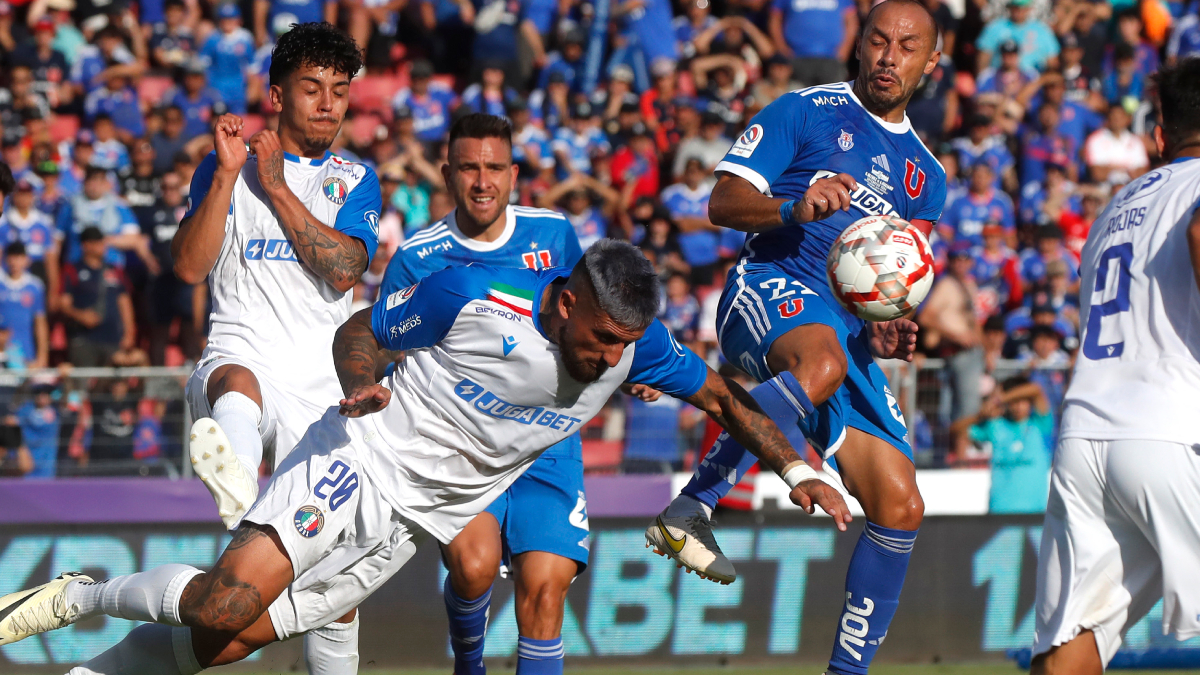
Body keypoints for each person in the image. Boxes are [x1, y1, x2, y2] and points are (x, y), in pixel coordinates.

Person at [0, 240, 851, 675]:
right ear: (562, 304)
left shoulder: (637, 351)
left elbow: (727, 400)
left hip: (414, 523)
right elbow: (362, 328)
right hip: (359, 457)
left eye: (622, 346)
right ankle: (80, 592)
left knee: (225, 643)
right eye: (596, 341)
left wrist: (800, 468)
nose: (606, 359)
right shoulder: (480, 304)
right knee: (223, 601)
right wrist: (364, 380)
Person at [644, 5, 944, 675]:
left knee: (900, 503)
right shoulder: (802, 112)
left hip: (842, 334)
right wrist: (793, 207)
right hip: (767, 286)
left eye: (908, 46)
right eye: (879, 41)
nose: (890, 56)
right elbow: (720, 203)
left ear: (932, 63)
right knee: (824, 360)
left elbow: (896, 274)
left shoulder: (929, 176)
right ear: (857, 47)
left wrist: (889, 320)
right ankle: (690, 507)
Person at [170, 22, 377, 675]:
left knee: (335, 592)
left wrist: (278, 186)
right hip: (243, 351)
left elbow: (345, 270)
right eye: (311, 88)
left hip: (322, 392)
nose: (327, 103)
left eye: (338, 91)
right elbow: (189, 265)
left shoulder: (354, 177)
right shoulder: (220, 165)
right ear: (276, 93)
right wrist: (232, 177)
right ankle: (232, 471)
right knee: (235, 381)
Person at [377, 112, 598, 675]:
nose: (483, 181)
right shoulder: (417, 258)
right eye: (470, 168)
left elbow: (588, 322)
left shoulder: (554, 235)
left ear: (514, 174)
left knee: (546, 592)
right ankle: (468, 665)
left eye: (495, 168)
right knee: (474, 568)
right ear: (447, 174)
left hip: (546, 445)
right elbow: (384, 342)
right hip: (463, 446)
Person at [1029, 59, 1200, 674]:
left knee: (1070, 640)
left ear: (1159, 135)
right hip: (1175, 428)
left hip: (1087, 435)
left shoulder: (1116, 206)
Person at [949, 376, 1052, 513]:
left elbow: (1036, 390)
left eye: (1023, 401)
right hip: (999, 511)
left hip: (1035, 513)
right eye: (1014, 402)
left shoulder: (1040, 424)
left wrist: (999, 399)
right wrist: (980, 416)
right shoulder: (996, 426)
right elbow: (955, 430)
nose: (1018, 406)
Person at [60, 227, 137, 367]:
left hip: (113, 338)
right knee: (84, 384)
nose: (102, 246)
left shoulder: (115, 270)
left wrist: (129, 333)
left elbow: (124, 302)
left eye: (102, 242)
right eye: (97, 242)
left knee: (111, 385)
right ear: (86, 245)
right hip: (84, 339)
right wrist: (81, 315)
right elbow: (63, 304)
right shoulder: (72, 270)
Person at [0, 241, 49, 369]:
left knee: (21, 387)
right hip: (2, 351)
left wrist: (42, 356)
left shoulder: (35, 286)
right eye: (11, 257)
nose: (15, 262)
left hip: (24, 352)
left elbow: (40, 322)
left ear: (27, 260)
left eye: (19, 257)